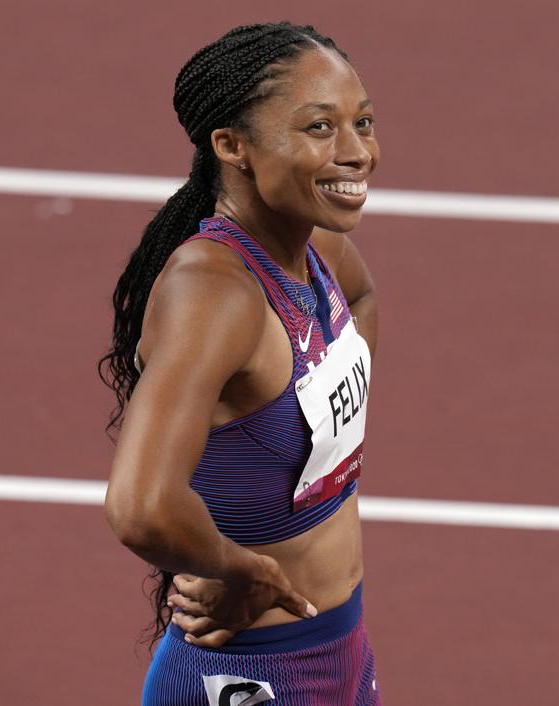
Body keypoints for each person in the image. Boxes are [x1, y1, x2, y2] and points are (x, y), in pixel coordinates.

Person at [99, 21, 382, 705]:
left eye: (363, 121)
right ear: (231, 146)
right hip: (249, 673)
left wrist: (327, 432)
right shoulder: (215, 291)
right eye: (320, 128)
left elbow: (364, 299)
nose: (357, 153)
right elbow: (140, 508)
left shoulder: (317, 251)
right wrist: (237, 574)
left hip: (341, 645)